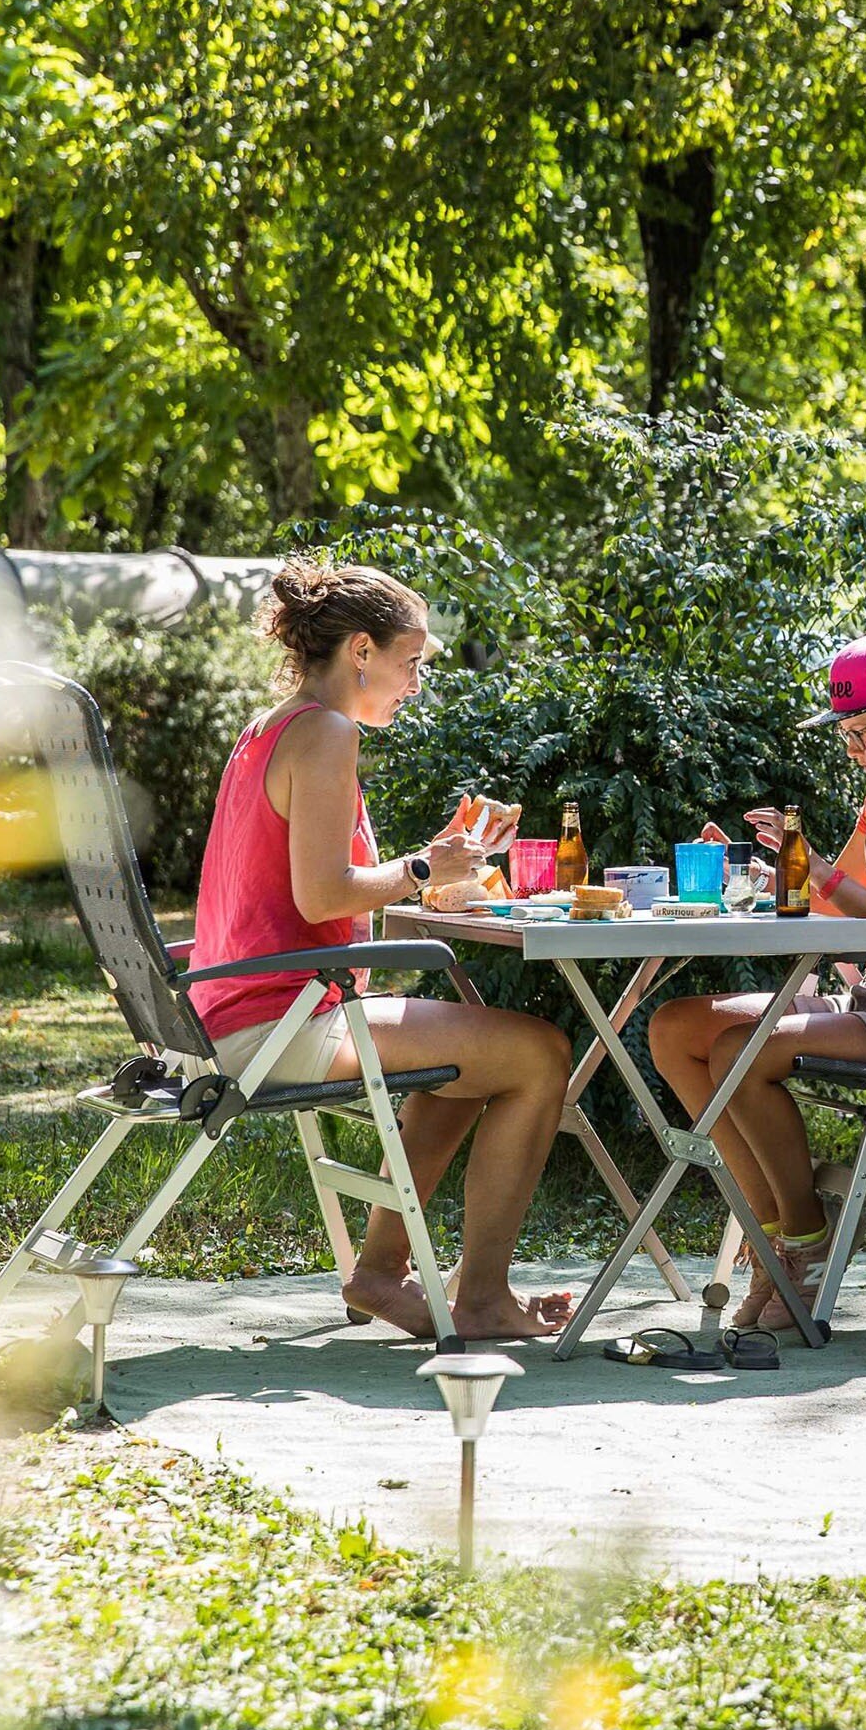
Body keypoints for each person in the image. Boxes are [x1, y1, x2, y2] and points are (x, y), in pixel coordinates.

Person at [188, 555, 576, 1342]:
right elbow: (323, 896)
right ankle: (482, 1298)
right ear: (361, 650)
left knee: (476, 1061)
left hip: (234, 1007)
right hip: (277, 1019)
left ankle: (380, 1276)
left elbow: (314, 892)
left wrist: (429, 865)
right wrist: (425, 867)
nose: (416, 682)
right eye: (412, 662)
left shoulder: (271, 729)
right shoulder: (326, 734)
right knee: (538, 1055)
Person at [646, 627, 866, 1330]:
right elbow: (827, 899)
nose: (849, 746)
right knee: (676, 1027)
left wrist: (825, 873)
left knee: (739, 1050)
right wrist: (759, 867)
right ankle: (771, 1227)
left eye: (858, 730)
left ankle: (801, 1242)